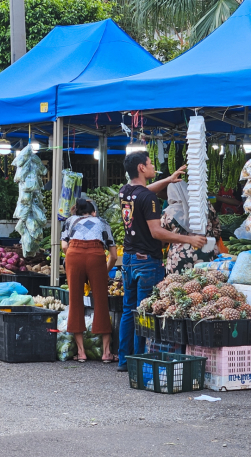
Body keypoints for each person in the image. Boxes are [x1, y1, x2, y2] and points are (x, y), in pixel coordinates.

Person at [117, 151, 207, 372]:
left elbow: (143, 192)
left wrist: (169, 179)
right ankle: (139, 360)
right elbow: (157, 232)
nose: (152, 167)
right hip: (147, 261)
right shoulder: (149, 199)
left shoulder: (125, 192)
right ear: (141, 168)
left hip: (128, 260)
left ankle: (124, 361)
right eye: (149, 164)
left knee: (129, 311)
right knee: (145, 311)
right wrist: (189, 239)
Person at [61, 198, 118, 363]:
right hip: (96, 256)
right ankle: (106, 353)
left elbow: (65, 246)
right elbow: (113, 256)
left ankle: (81, 353)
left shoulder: (70, 221)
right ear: (93, 211)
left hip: (74, 255)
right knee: (101, 302)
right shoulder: (102, 222)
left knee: (75, 300)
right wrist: (103, 272)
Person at [160, 180, 222, 274]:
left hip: (180, 258)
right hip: (206, 253)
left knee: (179, 286)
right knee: (207, 284)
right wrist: (208, 236)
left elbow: (162, 236)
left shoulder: (169, 213)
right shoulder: (205, 206)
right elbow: (217, 230)